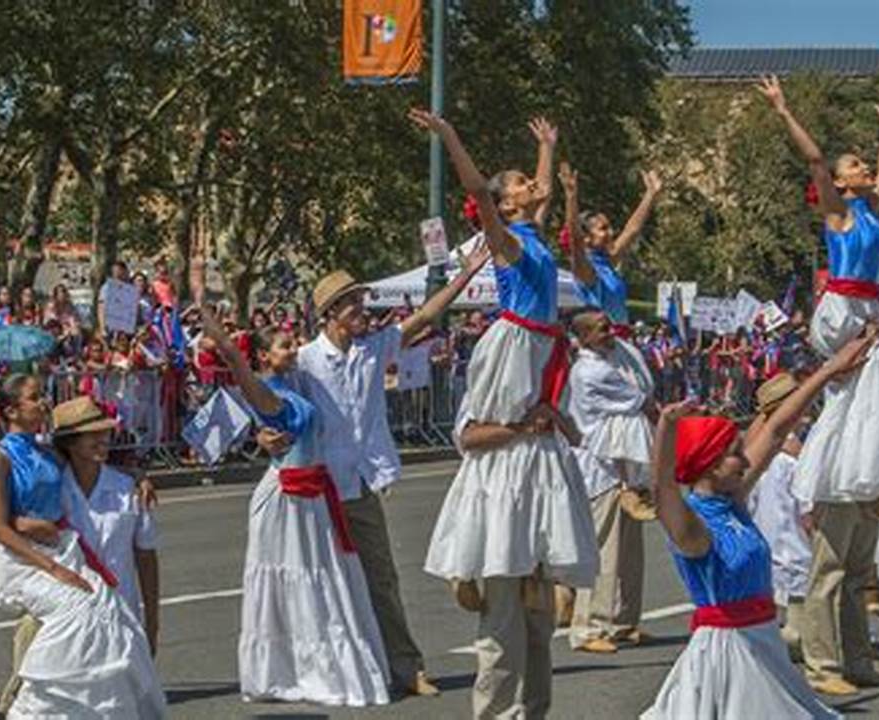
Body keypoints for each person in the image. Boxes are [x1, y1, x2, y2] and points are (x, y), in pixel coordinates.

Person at [257, 178, 490, 697]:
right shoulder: (305, 361)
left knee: (380, 577)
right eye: (355, 308)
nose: (364, 313)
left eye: (363, 305)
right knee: (323, 583)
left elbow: (426, 316)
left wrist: (466, 277)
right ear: (331, 316)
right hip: (316, 485)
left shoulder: (373, 346)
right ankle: (330, 667)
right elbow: (275, 408)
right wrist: (266, 438)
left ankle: (406, 667)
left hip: (359, 483)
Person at [759, 75, 879, 694]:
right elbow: (814, 158)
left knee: (859, 559)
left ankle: (857, 659)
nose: (866, 167)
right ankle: (822, 664)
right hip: (844, 304)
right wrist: (785, 110)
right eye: (856, 163)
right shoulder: (839, 215)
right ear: (838, 184)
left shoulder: (869, 209)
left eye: (865, 163)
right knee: (834, 562)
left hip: (868, 307)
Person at [408, 109, 597, 719]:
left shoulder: (532, 233)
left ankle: (533, 711)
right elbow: (475, 191)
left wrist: (545, 149)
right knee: (507, 629)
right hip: (518, 339)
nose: (527, 187)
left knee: (538, 621)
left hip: (542, 341)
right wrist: (450, 136)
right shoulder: (508, 242)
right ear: (504, 204)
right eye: (516, 183)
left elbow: (538, 199)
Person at [187, 242, 391, 707]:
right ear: (264, 358)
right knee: (293, 581)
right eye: (282, 345)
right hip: (286, 497)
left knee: (321, 582)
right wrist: (201, 301)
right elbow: (233, 359)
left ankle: (312, 664)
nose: (292, 347)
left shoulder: (297, 382)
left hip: (312, 495)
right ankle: (291, 667)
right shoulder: (264, 391)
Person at [639, 333, 874, 720]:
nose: (745, 462)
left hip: (764, 642)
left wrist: (830, 370)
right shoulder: (694, 528)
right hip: (729, 656)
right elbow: (662, 485)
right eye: (734, 455)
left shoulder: (732, 503)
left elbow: (778, 429)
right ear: (710, 464)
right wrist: (666, 426)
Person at [0, 373, 165, 719]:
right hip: (24, 558)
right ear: (11, 410)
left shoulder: (47, 452)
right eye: (35, 397)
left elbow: (91, 458)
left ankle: (93, 703)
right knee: (83, 607)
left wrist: (137, 476)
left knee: (104, 606)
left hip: (58, 549)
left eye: (43, 394)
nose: (44, 401)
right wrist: (30, 534)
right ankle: (30, 702)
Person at [563, 311, 656, 653]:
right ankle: (588, 627)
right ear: (584, 337)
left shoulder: (611, 359)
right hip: (603, 470)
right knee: (604, 549)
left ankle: (623, 621)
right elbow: (643, 400)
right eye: (601, 330)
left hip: (625, 469)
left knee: (630, 551)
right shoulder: (591, 371)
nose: (609, 333)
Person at [560, 164, 660, 394]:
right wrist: (571, 198)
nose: (611, 232)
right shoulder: (586, 269)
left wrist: (651, 194)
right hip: (601, 347)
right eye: (603, 229)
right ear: (586, 238)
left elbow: (632, 230)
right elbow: (574, 239)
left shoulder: (607, 261)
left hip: (621, 343)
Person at [746, 373, 814, 659]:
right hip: (790, 540)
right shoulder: (787, 457)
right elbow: (800, 506)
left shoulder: (760, 451)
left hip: (770, 540)